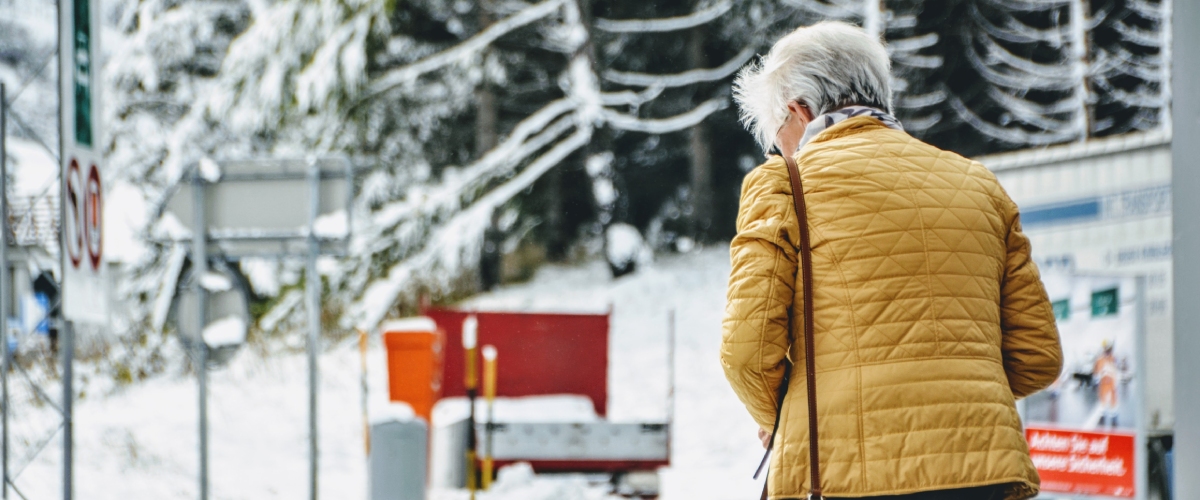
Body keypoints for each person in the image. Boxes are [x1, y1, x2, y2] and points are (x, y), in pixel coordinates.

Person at [720, 21, 1063, 500]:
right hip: (984, 473)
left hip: (847, 476)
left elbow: (748, 351)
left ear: (799, 111)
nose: (780, 150)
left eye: (778, 135)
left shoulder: (783, 183)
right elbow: (1038, 356)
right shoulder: (978, 184)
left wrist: (781, 419)